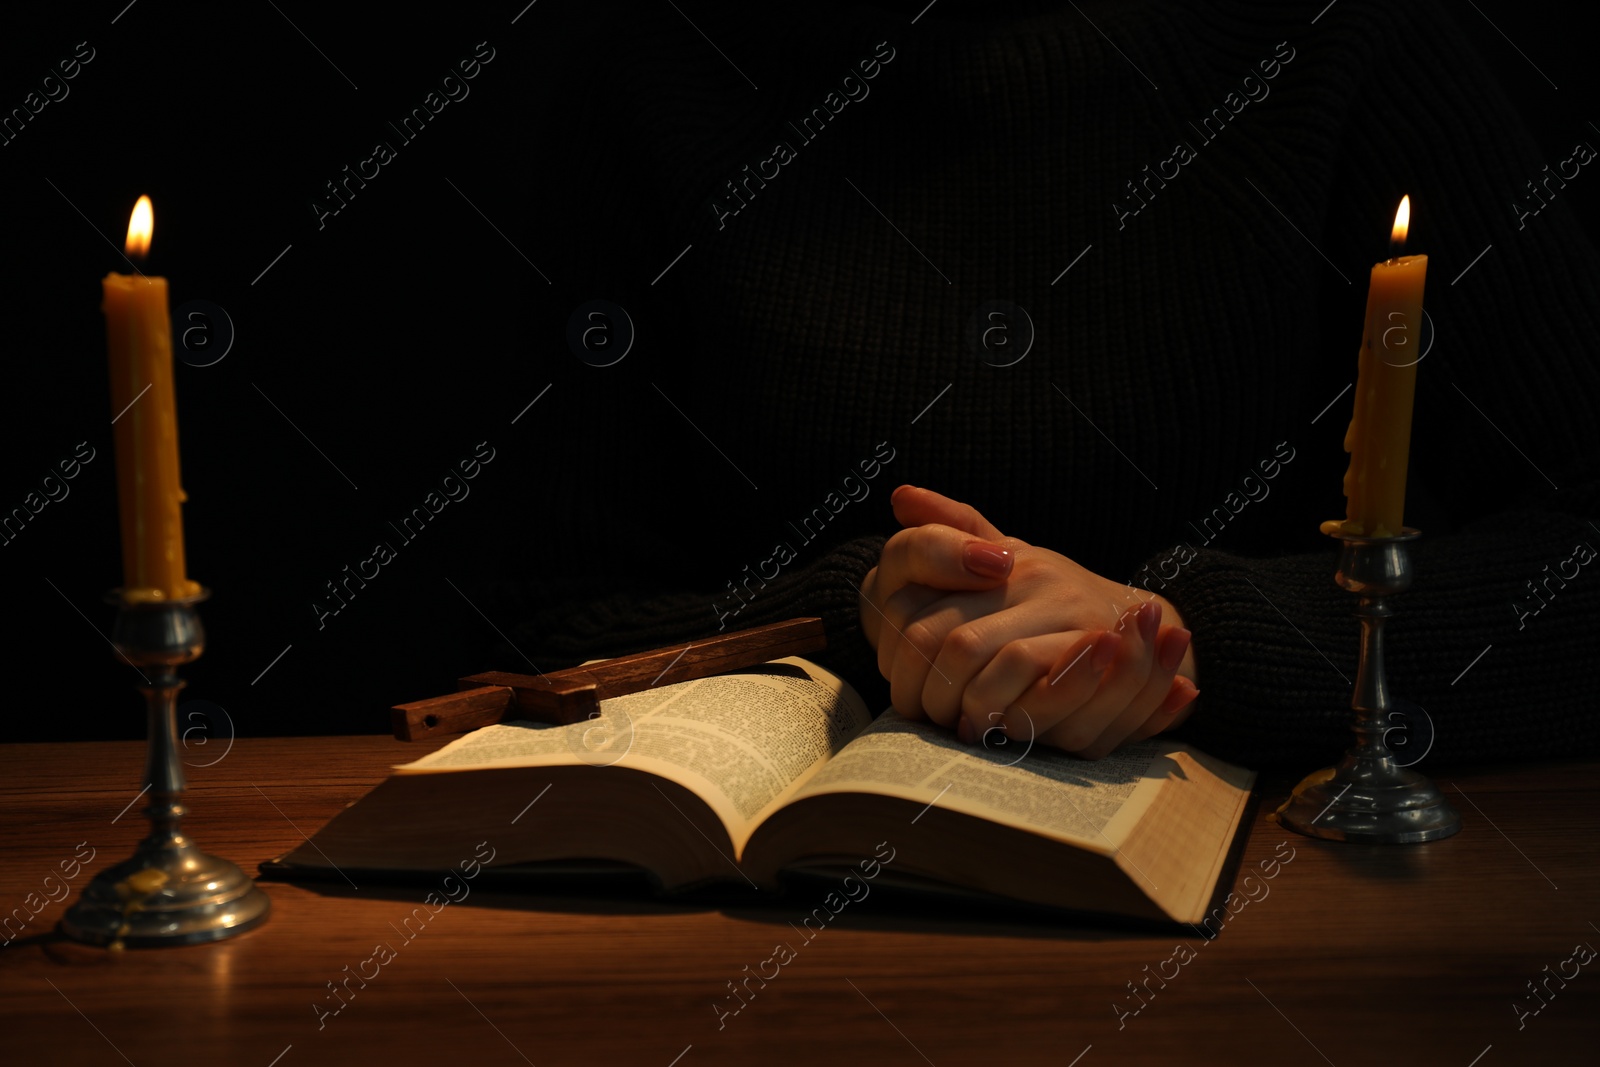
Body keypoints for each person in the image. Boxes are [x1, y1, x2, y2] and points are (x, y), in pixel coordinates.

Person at [498, 0, 1600, 769]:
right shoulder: (649, 63)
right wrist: (871, 618)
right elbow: (552, 632)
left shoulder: (1346, 37)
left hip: (1280, 913)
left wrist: (1188, 641)